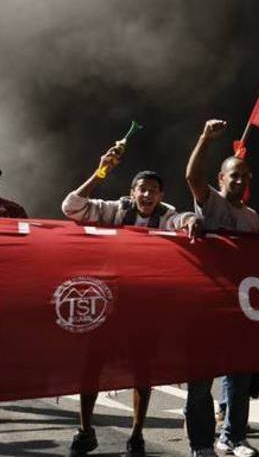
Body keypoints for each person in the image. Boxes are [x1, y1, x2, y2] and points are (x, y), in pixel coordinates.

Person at [60, 145, 197, 457]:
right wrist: (100, 172)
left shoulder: (165, 216)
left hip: (144, 307)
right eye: (142, 190)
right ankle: (85, 430)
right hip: (108, 302)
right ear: (132, 192)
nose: (147, 196)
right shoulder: (116, 210)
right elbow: (71, 207)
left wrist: (190, 221)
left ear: (161, 195)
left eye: (153, 191)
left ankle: (136, 435)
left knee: (142, 372)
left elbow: (183, 218)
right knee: (89, 367)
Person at [183, 119, 259, 457]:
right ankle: (202, 443)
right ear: (222, 179)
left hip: (240, 304)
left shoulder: (253, 218)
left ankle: (233, 437)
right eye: (234, 175)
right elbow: (192, 177)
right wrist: (204, 138)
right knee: (201, 379)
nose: (239, 179)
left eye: (244, 175)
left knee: (240, 378)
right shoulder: (211, 202)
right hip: (206, 303)